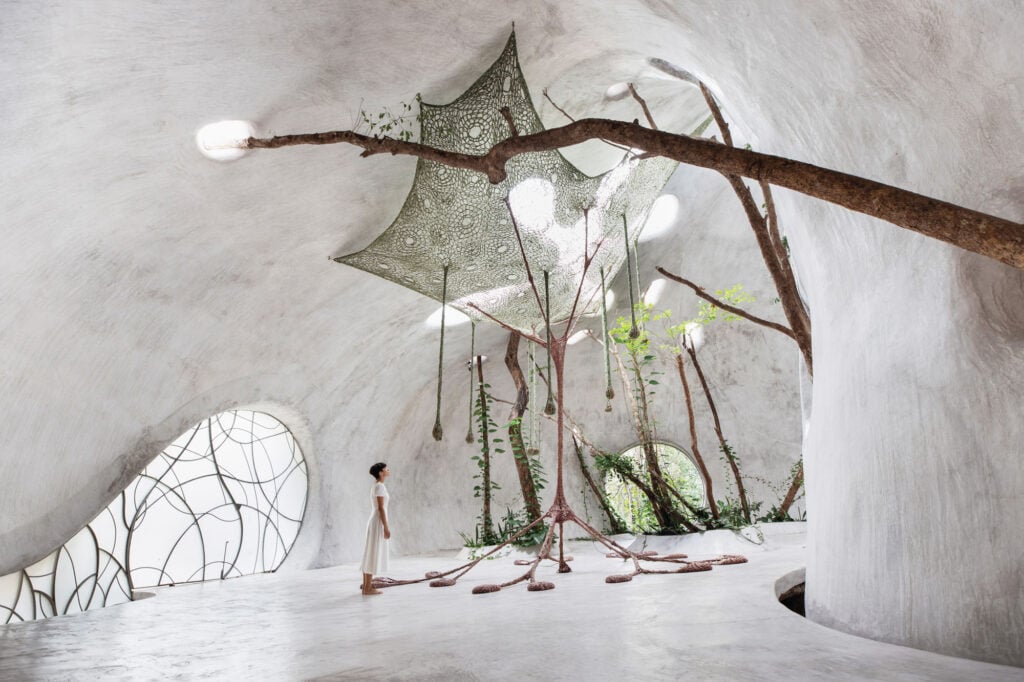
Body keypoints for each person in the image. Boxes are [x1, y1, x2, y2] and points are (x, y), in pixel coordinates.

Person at [360, 462, 391, 595]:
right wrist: (386, 527)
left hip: (375, 521)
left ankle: (368, 587)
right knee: (372, 553)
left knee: (370, 553)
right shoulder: (380, 487)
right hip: (377, 522)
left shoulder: (376, 486)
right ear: (380, 472)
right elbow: (381, 508)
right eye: (386, 469)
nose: (388, 470)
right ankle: (367, 588)